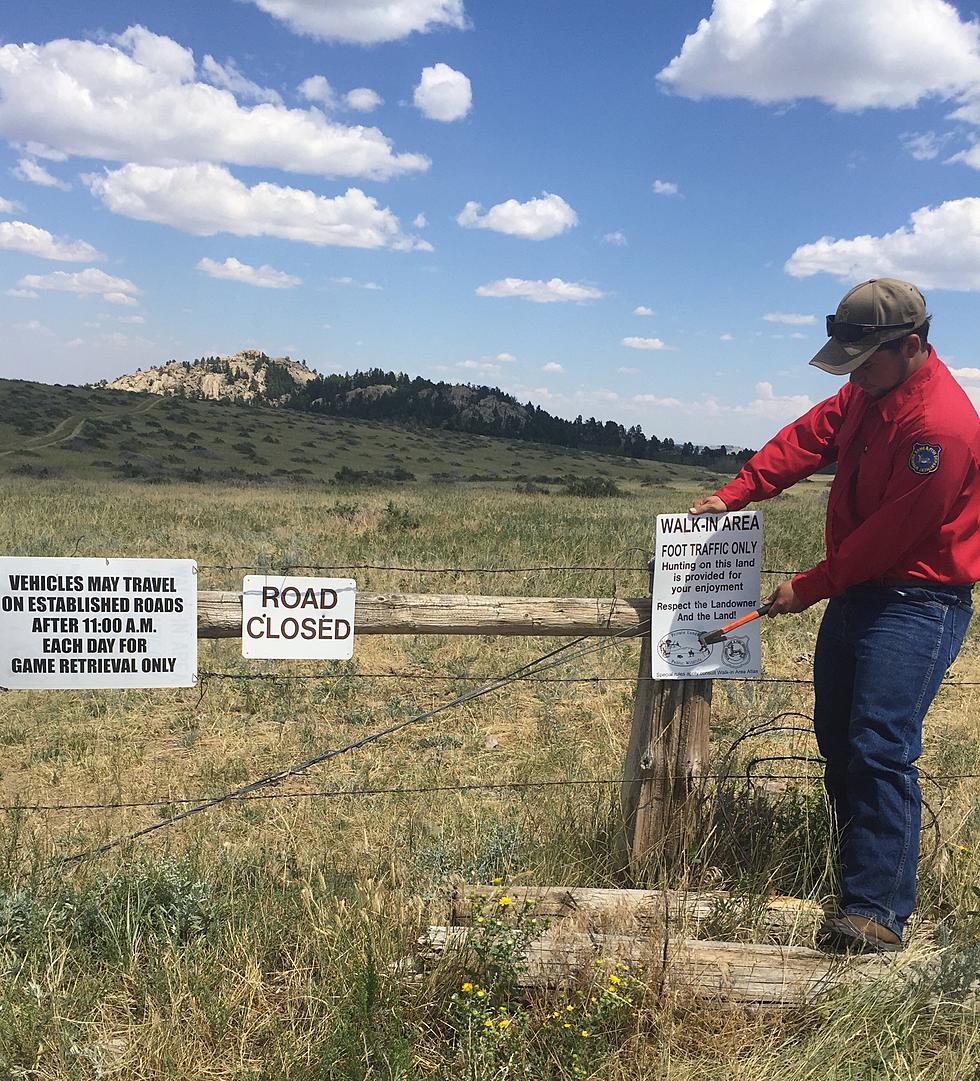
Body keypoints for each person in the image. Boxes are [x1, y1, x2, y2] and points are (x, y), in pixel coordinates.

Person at [691, 278, 979, 953]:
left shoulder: (939, 428)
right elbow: (807, 438)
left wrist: (811, 585)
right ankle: (856, 874)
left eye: (864, 360)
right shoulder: (867, 393)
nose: (852, 375)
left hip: (916, 599)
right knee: (839, 740)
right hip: (861, 593)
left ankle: (876, 911)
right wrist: (736, 493)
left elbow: (893, 535)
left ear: (912, 346)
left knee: (878, 746)